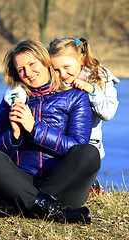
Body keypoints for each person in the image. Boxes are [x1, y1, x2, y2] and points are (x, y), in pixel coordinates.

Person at [0, 39, 100, 224]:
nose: (28, 73)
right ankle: (55, 212)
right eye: (21, 69)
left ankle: (25, 206)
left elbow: (77, 145)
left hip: (62, 185)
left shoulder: (76, 95)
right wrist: (14, 135)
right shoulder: (11, 100)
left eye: (32, 63)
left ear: (45, 61)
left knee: (89, 153)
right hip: (22, 181)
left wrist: (34, 129)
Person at [48, 37, 120, 193]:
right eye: (56, 69)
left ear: (81, 59)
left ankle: (90, 185)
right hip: (57, 142)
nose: (62, 74)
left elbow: (108, 113)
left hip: (87, 146)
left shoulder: (100, 77)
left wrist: (92, 91)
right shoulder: (52, 79)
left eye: (67, 67)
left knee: (77, 180)